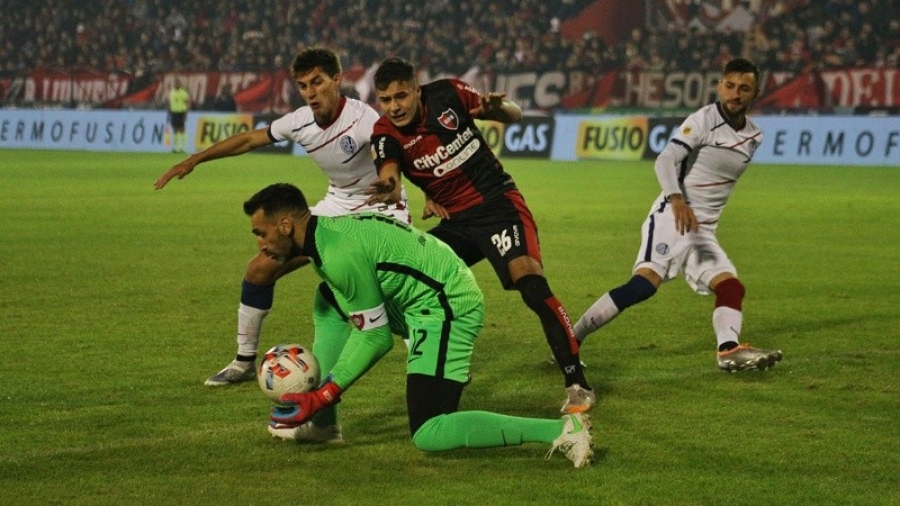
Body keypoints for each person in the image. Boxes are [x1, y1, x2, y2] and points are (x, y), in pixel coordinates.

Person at [154, 48, 409, 443]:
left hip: (378, 212)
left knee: (357, 297)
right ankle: (242, 362)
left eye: (318, 82)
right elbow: (249, 139)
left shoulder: (364, 120)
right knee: (259, 268)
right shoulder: (300, 121)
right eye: (303, 85)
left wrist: (397, 187)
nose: (310, 92)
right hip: (334, 208)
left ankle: (418, 344)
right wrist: (196, 159)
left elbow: (394, 158)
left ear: (338, 79)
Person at [248, 183, 594, 468]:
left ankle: (564, 430)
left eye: (260, 233)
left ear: (285, 225)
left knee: (430, 430)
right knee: (328, 302)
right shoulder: (327, 235)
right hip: (421, 295)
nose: (260, 244)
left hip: (446, 305)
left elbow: (375, 338)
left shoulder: (338, 256)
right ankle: (324, 426)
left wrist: (323, 394)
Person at [365, 57, 593, 415]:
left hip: (499, 205)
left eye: (401, 96)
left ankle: (577, 383)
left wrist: (497, 108)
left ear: (417, 89)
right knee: (410, 283)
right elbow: (390, 174)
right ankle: (449, 364)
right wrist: (390, 188)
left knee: (531, 285)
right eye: (385, 99)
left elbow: (513, 116)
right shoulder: (384, 134)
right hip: (457, 222)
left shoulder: (447, 94)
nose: (394, 106)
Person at [572, 58, 783, 373]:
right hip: (673, 215)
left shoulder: (754, 136)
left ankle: (728, 351)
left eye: (744, 89)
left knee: (730, 287)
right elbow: (666, 159)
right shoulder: (703, 120)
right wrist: (677, 199)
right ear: (719, 85)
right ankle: (571, 340)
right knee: (643, 285)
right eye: (729, 86)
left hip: (702, 230)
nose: (735, 94)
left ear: (755, 93)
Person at [167, 78, 191, 153]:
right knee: (175, 130)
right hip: (174, 112)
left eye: (178, 83)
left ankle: (183, 148)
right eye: (176, 83)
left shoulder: (183, 93)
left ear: (180, 84)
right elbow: (170, 102)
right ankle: (176, 148)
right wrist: (169, 111)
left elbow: (187, 103)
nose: (177, 84)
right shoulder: (172, 92)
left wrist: (186, 114)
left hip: (181, 112)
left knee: (182, 129)